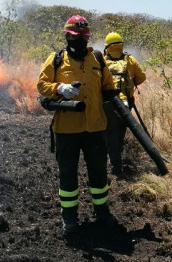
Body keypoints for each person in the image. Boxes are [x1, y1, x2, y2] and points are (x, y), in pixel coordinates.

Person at [37, 15, 117, 235]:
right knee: (67, 174)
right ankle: (69, 218)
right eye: (75, 37)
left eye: (83, 37)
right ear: (67, 36)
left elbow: (108, 87)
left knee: (99, 174)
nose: (79, 41)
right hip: (66, 130)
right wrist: (59, 88)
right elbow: (42, 85)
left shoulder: (97, 59)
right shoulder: (56, 59)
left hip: (95, 128)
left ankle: (102, 213)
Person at [103, 32, 147, 175]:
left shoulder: (102, 60)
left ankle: (113, 164)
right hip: (125, 104)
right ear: (121, 45)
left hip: (107, 103)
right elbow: (141, 77)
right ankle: (117, 163)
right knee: (120, 133)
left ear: (107, 46)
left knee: (108, 133)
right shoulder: (130, 60)